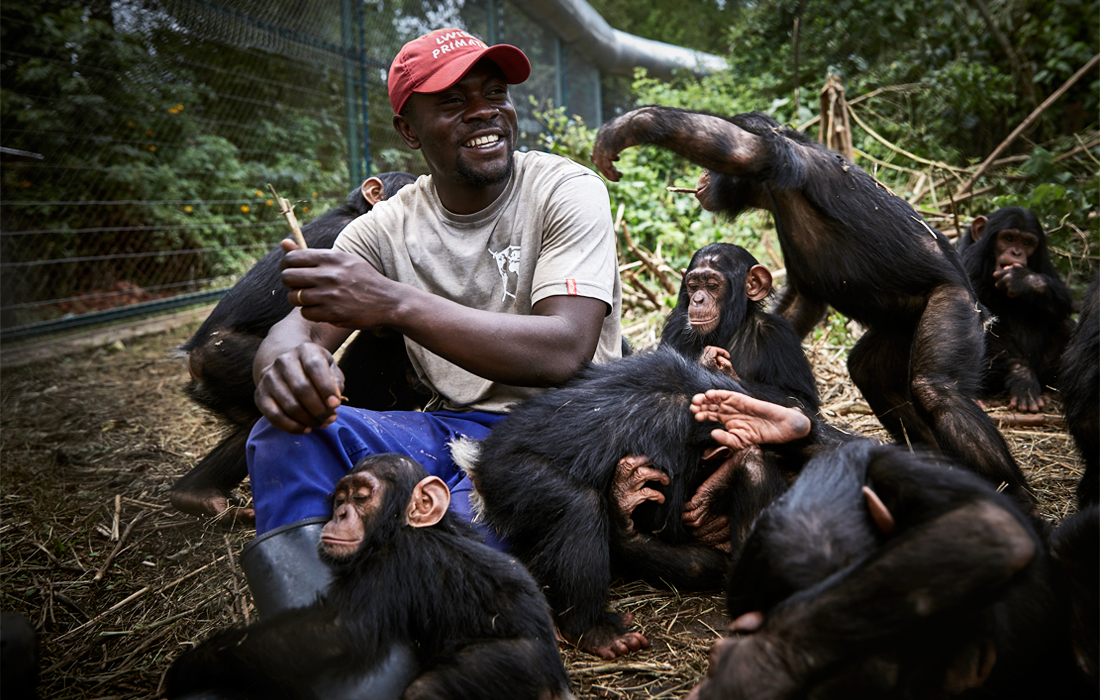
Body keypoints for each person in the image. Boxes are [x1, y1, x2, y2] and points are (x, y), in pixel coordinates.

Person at [238, 28, 623, 622]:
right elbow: (298, 330)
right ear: (409, 130)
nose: (484, 112)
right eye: (452, 101)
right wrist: (283, 369)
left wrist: (394, 304)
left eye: (495, 93)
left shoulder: (564, 190)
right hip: (448, 431)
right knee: (281, 432)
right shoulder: (384, 228)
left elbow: (563, 350)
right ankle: (307, 631)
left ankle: (373, 635)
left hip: (563, 435)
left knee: (446, 542)